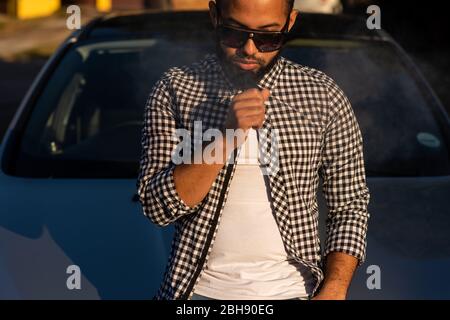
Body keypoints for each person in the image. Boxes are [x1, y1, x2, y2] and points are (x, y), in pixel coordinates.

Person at [137, 0, 370, 300]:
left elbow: (349, 204)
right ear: (214, 15)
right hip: (196, 295)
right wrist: (226, 137)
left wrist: (335, 288)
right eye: (234, 33)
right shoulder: (176, 89)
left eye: (268, 37)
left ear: (290, 22)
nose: (249, 49)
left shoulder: (322, 95)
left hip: (295, 291)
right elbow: (157, 208)